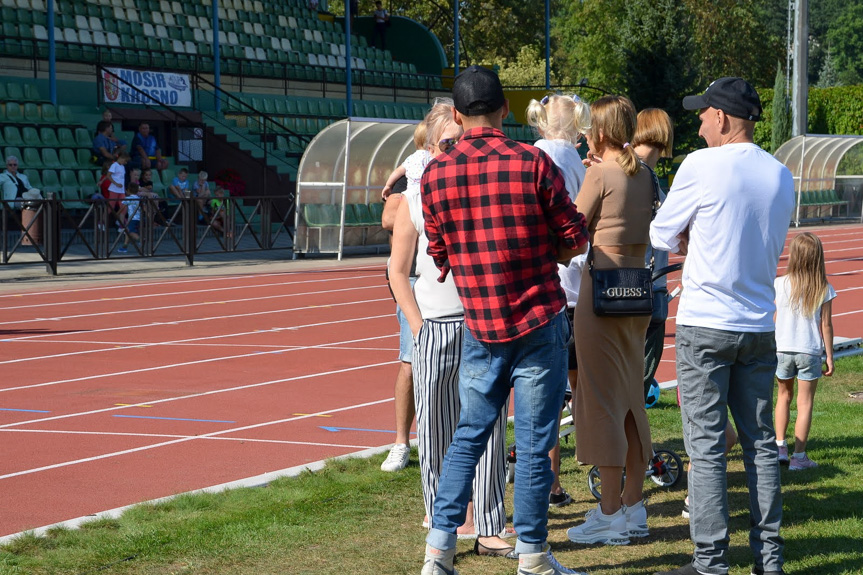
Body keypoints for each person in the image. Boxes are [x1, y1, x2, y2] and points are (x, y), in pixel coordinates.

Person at [419, 65, 589, 575]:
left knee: (469, 434)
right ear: (506, 110)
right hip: (538, 317)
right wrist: (549, 245)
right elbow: (575, 235)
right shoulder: (531, 163)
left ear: (455, 114)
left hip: (480, 321)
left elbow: (441, 254)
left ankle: (439, 550)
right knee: (537, 443)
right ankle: (532, 555)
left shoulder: (435, 174)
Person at [649, 77, 794, 575]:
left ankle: (710, 562)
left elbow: (660, 231)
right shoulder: (781, 173)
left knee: (707, 449)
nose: (699, 121)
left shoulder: (702, 164)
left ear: (725, 119)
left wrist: (693, 231)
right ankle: (768, 561)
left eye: (704, 113)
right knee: (759, 447)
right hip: (758, 324)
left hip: (706, 323)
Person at [390, 100, 516, 558]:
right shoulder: (415, 198)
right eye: (445, 143)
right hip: (436, 326)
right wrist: (419, 325)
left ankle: (488, 525)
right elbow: (398, 270)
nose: (452, 150)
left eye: (458, 141)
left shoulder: (487, 187)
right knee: (437, 427)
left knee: (489, 426)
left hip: (483, 323)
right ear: (428, 146)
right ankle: (439, 519)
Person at [565, 95, 655, 547]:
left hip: (601, 293)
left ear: (600, 130)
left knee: (600, 402)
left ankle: (609, 513)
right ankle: (634, 507)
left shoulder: (599, 172)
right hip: (637, 291)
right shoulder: (645, 174)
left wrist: (588, 173)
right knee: (631, 398)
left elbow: (572, 226)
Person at [525, 93, 592, 508]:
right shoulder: (571, 160)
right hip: (577, 282)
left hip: (548, 281)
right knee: (582, 388)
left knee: (546, 395)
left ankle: (550, 482)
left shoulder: (535, 154)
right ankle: (600, 462)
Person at [379, 120, 429, 473]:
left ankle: (438, 438)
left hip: (449, 279)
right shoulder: (409, 181)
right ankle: (400, 441)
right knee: (411, 361)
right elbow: (388, 218)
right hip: (413, 279)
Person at [774, 232, 836, 471]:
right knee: (805, 403)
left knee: (782, 397)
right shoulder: (823, 287)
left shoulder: (780, 283)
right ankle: (799, 458)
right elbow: (826, 325)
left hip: (782, 348)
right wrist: (829, 356)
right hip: (809, 350)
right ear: (818, 257)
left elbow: (775, 316)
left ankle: (780, 447)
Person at [631, 108, 674, 402]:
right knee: (637, 386)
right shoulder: (650, 179)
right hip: (650, 287)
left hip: (629, 286)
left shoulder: (631, 172)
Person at [118, 182, 144, 254]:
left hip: (132, 218)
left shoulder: (127, 198)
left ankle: (140, 239)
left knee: (130, 232)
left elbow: (123, 207)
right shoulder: (139, 198)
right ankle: (125, 246)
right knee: (128, 231)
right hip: (139, 218)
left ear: (128, 190)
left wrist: (117, 213)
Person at [107, 153, 130, 226]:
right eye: (125, 161)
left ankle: (121, 222)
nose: (125, 163)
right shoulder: (114, 165)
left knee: (124, 206)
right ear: (121, 158)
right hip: (114, 189)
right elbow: (108, 175)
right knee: (111, 206)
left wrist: (124, 189)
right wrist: (116, 184)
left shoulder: (122, 166)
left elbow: (121, 179)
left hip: (121, 190)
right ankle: (102, 221)